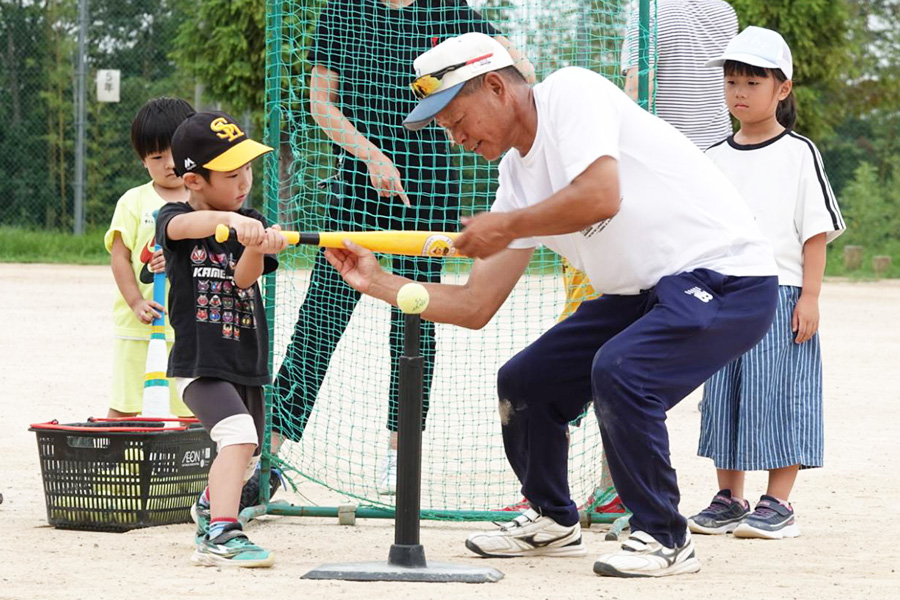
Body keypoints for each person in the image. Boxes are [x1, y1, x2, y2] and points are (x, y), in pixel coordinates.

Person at [323, 31, 780, 578]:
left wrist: (508, 226)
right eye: (443, 127)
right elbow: (475, 304)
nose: (453, 137)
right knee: (525, 381)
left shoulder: (572, 93)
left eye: (456, 118)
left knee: (623, 370)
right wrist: (377, 281)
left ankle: (664, 536)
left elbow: (600, 195)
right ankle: (553, 519)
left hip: (727, 276)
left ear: (496, 86)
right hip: (639, 293)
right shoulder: (515, 178)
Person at [271, 0, 534, 495]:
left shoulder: (450, 11)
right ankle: (271, 450)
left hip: (431, 186)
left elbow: (519, 67)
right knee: (321, 316)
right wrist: (371, 156)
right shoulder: (344, 12)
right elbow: (320, 103)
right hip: (359, 186)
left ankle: (400, 453)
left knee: (415, 318)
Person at [687, 26, 845, 540]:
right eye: (732, 80)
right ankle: (729, 497)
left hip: (780, 296)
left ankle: (778, 503)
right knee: (725, 396)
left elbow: (815, 233)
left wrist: (811, 297)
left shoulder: (800, 154)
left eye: (753, 81)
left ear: (782, 89)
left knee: (780, 397)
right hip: (725, 295)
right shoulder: (712, 158)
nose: (739, 91)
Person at [157, 111, 288, 567]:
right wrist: (229, 222)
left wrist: (255, 243)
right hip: (199, 362)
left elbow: (242, 278)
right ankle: (221, 534)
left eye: (247, 170)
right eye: (231, 174)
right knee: (236, 435)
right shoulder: (174, 216)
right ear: (193, 180)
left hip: (243, 357)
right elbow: (182, 229)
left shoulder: (249, 220)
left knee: (247, 447)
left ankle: (211, 505)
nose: (244, 181)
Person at [103, 97, 195, 419]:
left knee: (191, 411)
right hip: (138, 329)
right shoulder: (132, 202)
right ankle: (117, 468)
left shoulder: (205, 201)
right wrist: (135, 302)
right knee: (127, 406)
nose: (171, 164)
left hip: (189, 330)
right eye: (158, 156)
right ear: (143, 160)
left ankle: (194, 470)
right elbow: (120, 258)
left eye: (177, 152)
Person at [621, 0, 738, 150]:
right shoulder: (726, 12)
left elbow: (638, 91)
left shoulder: (646, 16)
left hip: (668, 153)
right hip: (718, 149)